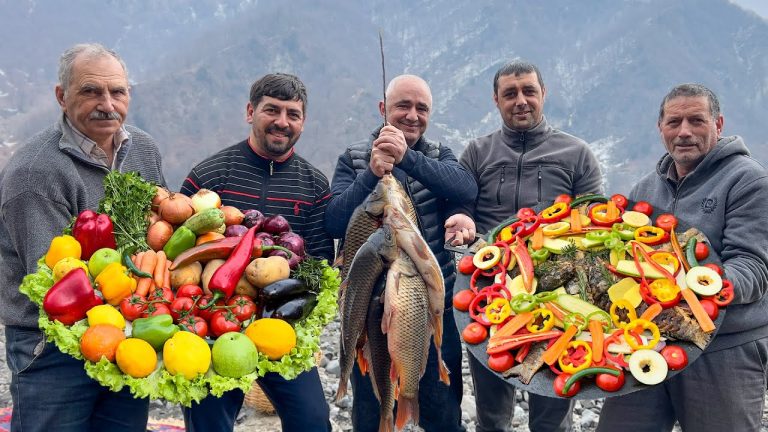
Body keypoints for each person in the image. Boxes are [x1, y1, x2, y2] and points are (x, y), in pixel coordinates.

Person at [0, 43, 165, 431]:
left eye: (118, 91)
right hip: (51, 348)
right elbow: (52, 282)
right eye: (91, 91)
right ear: (62, 96)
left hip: (123, 330)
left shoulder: (142, 148)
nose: (107, 103)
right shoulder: (36, 172)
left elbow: (158, 228)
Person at [596, 84, 768, 431]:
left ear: (718, 124)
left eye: (696, 120)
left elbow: (753, 270)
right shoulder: (645, 189)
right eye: (674, 122)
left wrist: (685, 287)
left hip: (724, 347)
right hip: (648, 341)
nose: (684, 131)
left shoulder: (748, 181)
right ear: (661, 129)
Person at [179, 73, 334, 432]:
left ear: (303, 122)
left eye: (292, 114)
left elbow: (320, 261)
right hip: (215, 325)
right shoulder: (210, 175)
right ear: (251, 112)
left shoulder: (314, 183)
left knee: (312, 421)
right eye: (272, 110)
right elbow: (179, 250)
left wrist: (300, 311)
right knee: (208, 425)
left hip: (281, 327)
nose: (282, 122)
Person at [456, 60, 603, 432]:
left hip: (559, 300)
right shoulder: (476, 153)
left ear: (543, 94)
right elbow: (462, 207)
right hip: (487, 297)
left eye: (528, 91)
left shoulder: (576, 154)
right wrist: (461, 221)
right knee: (491, 414)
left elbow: (596, 225)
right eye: (510, 93)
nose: (520, 101)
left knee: (553, 414)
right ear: (496, 100)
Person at [324, 74, 477, 432]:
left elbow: (464, 188)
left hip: (432, 303)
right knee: (373, 403)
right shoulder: (354, 159)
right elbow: (333, 222)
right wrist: (370, 175)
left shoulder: (438, 156)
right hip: (371, 303)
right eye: (402, 106)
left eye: (421, 108)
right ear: (383, 109)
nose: (412, 115)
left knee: (442, 405)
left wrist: (408, 159)